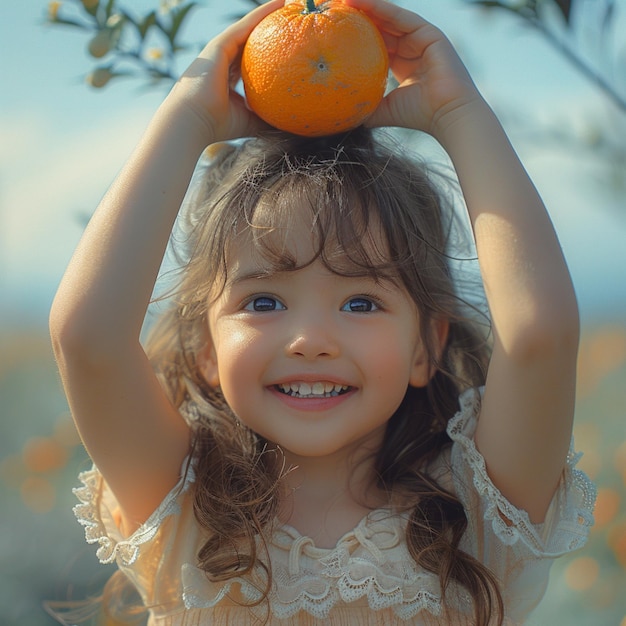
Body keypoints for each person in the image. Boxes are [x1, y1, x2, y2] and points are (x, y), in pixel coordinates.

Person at [49, 0, 596, 624]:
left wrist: (457, 112)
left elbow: (540, 335)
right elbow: (87, 340)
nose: (310, 339)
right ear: (205, 346)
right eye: (263, 301)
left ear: (427, 346)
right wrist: (188, 114)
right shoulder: (186, 506)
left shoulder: (475, 512)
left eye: (361, 301)